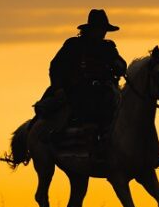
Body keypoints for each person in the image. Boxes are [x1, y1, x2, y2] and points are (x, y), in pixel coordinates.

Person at [40, 9, 127, 137]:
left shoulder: (108, 48)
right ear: (91, 29)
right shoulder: (74, 45)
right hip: (77, 90)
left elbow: (120, 63)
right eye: (100, 29)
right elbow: (56, 67)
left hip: (105, 89)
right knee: (88, 101)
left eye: (104, 30)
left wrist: (120, 65)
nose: (103, 33)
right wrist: (58, 88)